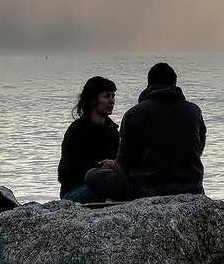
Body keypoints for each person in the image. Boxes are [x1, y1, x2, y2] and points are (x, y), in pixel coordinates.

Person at [83, 62, 205, 201]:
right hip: (192, 188)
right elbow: (198, 149)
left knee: (92, 175)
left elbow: (124, 165)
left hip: (148, 190)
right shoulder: (194, 111)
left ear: (149, 85)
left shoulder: (134, 114)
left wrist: (114, 164)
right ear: (175, 84)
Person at [58, 76, 119, 203]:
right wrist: (101, 168)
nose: (112, 101)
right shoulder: (76, 131)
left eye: (113, 96)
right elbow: (68, 171)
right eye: (107, 96)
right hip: (76, 190)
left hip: (107, 182)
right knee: (102, 187)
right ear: (93, 100)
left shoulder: (112, 131)